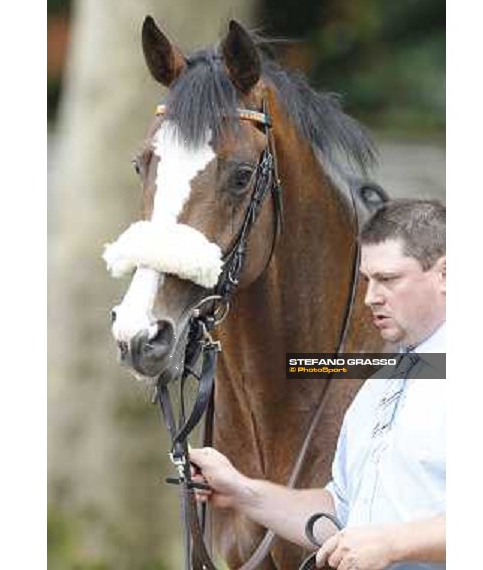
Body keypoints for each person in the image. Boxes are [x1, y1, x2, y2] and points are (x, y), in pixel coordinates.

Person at [190, 199, 446, 569]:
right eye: (366, 280)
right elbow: (340, 510)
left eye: (388, 279)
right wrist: (241, 491)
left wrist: (393, 543)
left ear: (444, 275)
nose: (370, 297)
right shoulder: (377, 385)